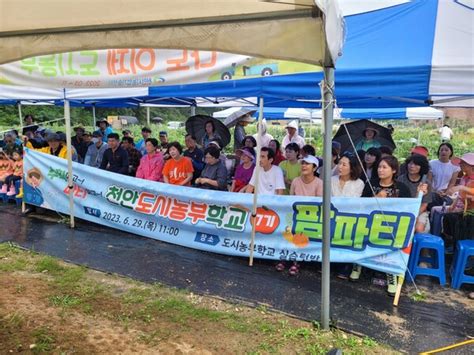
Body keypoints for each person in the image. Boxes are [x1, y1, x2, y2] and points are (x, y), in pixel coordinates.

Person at [352, 156, 411, 296]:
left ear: (394, 170)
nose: (380, 170)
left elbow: (407, 208)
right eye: (379, 167)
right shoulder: (371, 184)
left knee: (390, 240)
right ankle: (357, 266)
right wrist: (376, 198)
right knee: (360, 234)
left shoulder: (401, 188)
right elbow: (361, 205)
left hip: (392, 225)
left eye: (385, 167)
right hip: (370, 222)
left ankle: (391, 274)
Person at [331, 152, 364, 279]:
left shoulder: (359, 183)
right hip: (332, 215)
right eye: (339, 163)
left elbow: (354, 203)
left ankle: (346, 265)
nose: (340, 167)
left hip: (349, 217)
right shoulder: (331, 180)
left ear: (352, 167)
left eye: (344, 164)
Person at [397, 154, 431, 233]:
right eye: (410, 163)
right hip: (403, 210)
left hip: (420, 211)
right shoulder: (401, 179)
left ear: (422, 167)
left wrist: (414, 214)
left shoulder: (426, 183)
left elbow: (424, 204)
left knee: (419, 228)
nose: (412, 166)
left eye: (416, 164)